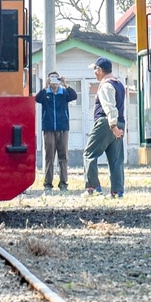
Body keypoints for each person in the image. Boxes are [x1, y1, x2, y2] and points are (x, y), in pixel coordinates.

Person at [83, 57, 125, 197]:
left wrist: (112, 126)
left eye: (95, 69)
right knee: (116, 159)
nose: (94, 72)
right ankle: (117, 191)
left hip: (106, 123)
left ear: (100, 70)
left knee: (89, 154)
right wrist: (118, 127)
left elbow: (109, 106)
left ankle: (93, 188)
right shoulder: (118, 83)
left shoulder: (106, 85)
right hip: (120, 123)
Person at [35, 71, 77, 190]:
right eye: (51, 79)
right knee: (49, 156)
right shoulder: (45, 94)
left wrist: (65, 84)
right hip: (48, 129)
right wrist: (45, 86)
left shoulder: (63, 93)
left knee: (63, 156)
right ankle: (48, 183)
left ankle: (63, 182)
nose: (54, 82)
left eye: (55, 79)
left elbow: (74, 96)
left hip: (62, 128)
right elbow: (37, 98)